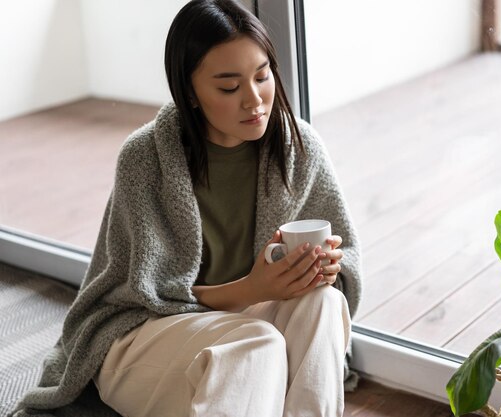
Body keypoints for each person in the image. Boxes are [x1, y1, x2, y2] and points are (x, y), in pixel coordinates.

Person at [11, 0, 362, 416]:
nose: (255, 100)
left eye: (262, 76)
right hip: (144, 334)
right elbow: (144, 294)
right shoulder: (147, 159)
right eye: (229, 87)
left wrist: (323, 268)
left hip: (243, 326)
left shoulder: (297, 149)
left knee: (322, 301)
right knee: (255, 343)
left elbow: (348, 260)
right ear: (190, 94)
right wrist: (255, 288)